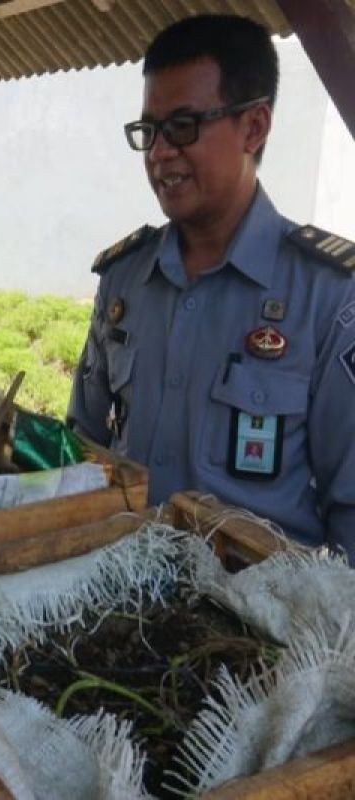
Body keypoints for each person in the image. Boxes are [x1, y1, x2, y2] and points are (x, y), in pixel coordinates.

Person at [69, 15, 355, 557]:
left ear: (254, 127)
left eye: (182, 127)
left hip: (255, 628)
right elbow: (80, 449)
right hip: (114, 602)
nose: (158, 154)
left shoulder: (329, 298)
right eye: (149, 131)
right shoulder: (124, 282)